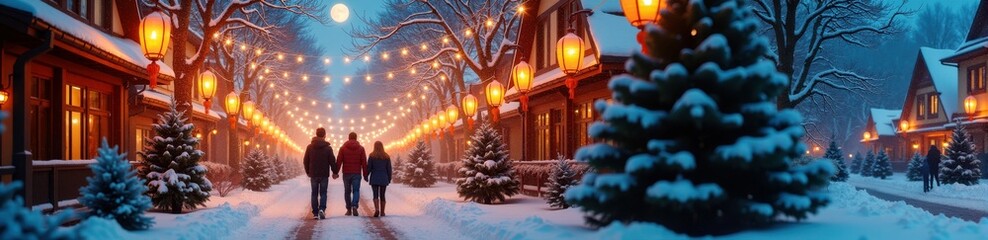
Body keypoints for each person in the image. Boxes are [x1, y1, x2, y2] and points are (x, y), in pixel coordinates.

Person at [302, 127, 338, 220]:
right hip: (324, 174)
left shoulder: (309, 147)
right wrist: (335, 172)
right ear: (324, 135)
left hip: (313, 173)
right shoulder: (328, 148)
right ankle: (322, 209)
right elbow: (332, 161)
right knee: (323, 193)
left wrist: (308, 171)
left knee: (314, 193)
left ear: (316, 134)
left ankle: (315, 212)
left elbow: (305, 160)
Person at [336, 132, 368, 216]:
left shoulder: (343, 148)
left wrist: (336, 172)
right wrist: (365, 174)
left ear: (348, 138)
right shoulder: (361, 148)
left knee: (347, 191)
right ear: (356, 138)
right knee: (356, 190)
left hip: (346, 173)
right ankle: (354, 205)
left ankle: (348, 209)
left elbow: (339, 161)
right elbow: (364, 162)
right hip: (356, 173)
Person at [366, 141, 393, 218]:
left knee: (375, 194)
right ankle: (383, 212)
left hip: (374, 177)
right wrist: (389, 177)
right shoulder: (386, 156)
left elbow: (369, 168)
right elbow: (389, 168)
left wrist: (366, 175)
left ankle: (377, 209)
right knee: (382, 195)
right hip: (383, 177)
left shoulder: (371, 156)